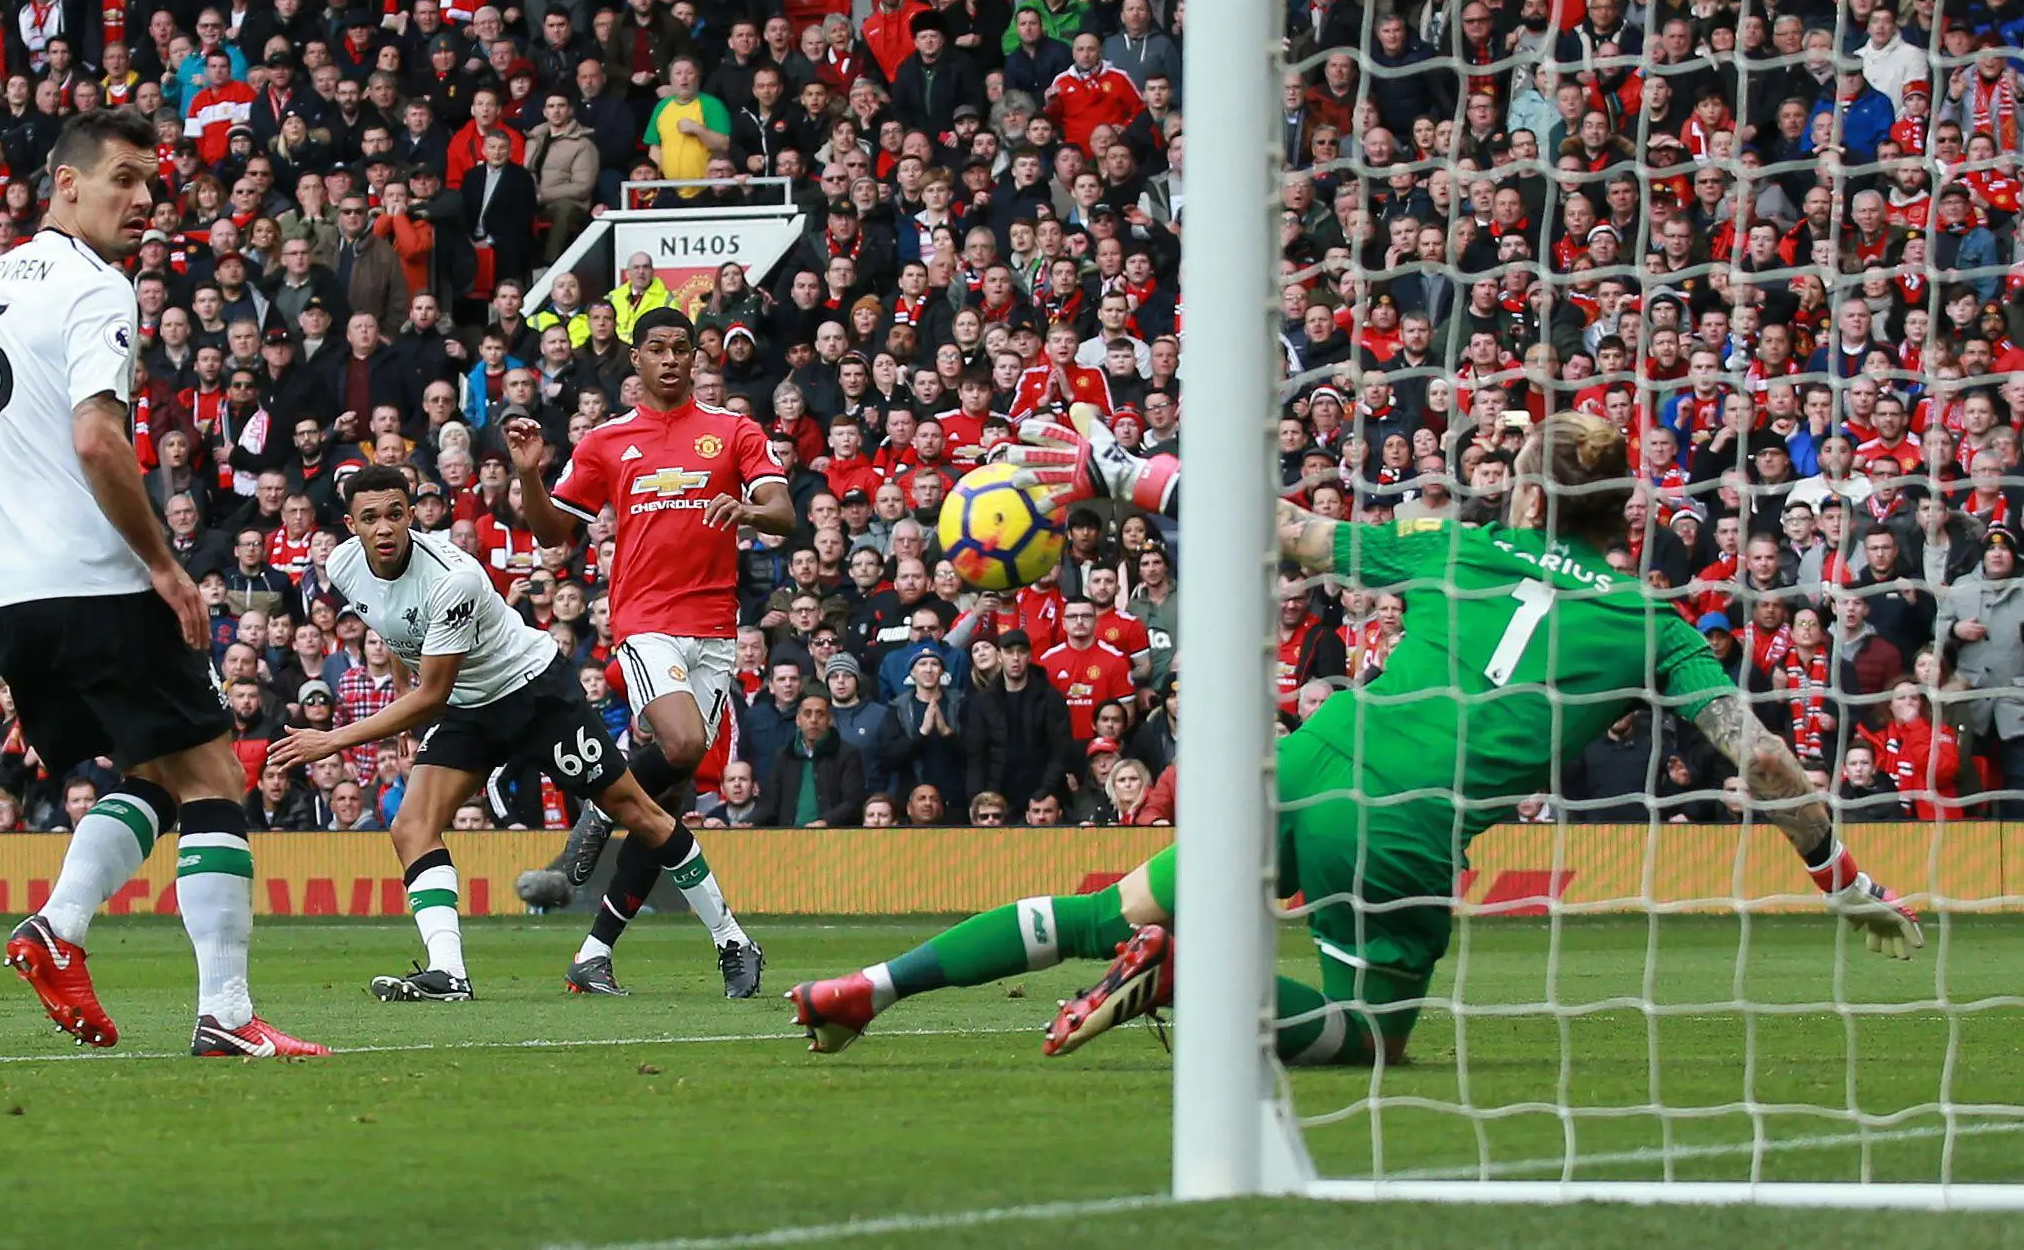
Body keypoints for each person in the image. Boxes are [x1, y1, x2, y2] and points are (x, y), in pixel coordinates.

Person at [788, 414, 1922, 1058]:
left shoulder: (1459, 547)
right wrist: (1842, 876)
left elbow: (1287, 529)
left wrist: (1122, 473)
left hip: (1314, 761)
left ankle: (872, 985)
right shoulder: (1650, 622)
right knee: (1364, 1036)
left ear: (1524, 505)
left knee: (1102, 911)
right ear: (1619, 514)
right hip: (1409, 836)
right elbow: (1762, 758)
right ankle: (1199, 978)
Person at [0, 110, 327, 1059]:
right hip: (96, 584)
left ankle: (59, 930)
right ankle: (227, 1016)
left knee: (155, 776)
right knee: (213, 779)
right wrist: (166, 567)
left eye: (152, 187)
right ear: (65, 184)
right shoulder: (97, 288)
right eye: (124, 180)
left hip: (10, 605)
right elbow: (96, 437)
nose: (144, 203)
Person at [270, 467, 753, 1002]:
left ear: (411, 515)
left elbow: (430, 695)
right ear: (350, 525)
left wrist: (333, 739)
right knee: (411, 825)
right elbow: (395, 630)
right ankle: (448, 973)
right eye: (369, 518)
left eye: (394, 514)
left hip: (532, 695)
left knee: (639, 814)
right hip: (465, 705)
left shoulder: (454, 578)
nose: (383, 528)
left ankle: (732, 940)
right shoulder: (342, 566)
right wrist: (406, 696)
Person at [509, 305, 793, 996]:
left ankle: (593, 952)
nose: (670, 359)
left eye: (681, 348)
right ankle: (723, 932)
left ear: (696, 358)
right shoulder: (608, 440)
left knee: (662, 803)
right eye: (656, 348)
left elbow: (784, 514)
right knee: (683, 742)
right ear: (634, 360)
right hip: (645, 620)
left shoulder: (734, 430)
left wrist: (747, 512)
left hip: (715, 627)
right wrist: (530, 476)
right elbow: (555, 534)